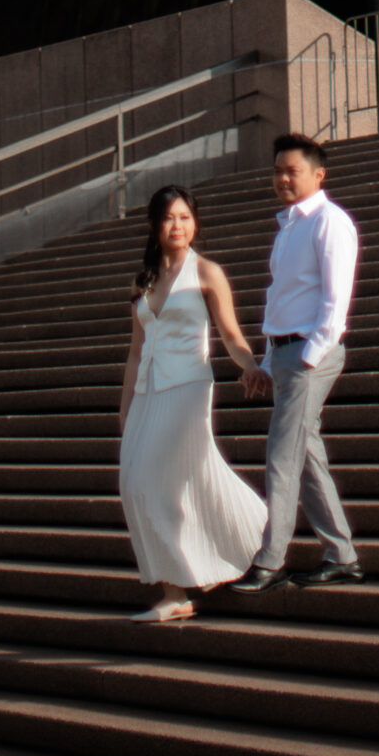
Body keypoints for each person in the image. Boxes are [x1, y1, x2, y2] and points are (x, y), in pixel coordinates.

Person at [118, 183, 268, 623]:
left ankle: (255, 533)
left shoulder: (206, 272)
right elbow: (135, 351)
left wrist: (249, 365)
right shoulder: (142, 281)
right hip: (147, 392)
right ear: (154, 225)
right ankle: (176, 590)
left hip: (188, 387)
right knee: (138, 485)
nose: (177, 226)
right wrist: (125, 407)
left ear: (195, 223)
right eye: (169, 218)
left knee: (150, 482)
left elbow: (231, 334)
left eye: (185, 217)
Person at [229, 132, 363, 592]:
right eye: (277, 171)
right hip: (286, 351)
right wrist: (269, 361)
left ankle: (270, 562)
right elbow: (281, 299)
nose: (283, 179)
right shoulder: (289, 227)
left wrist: (306, 358)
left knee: (282, 455)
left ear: (318, 174)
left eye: (293, 171)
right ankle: (342, 555)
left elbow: (335, 302)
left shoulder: (330, 222)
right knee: (305, 456)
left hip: (311, 353)